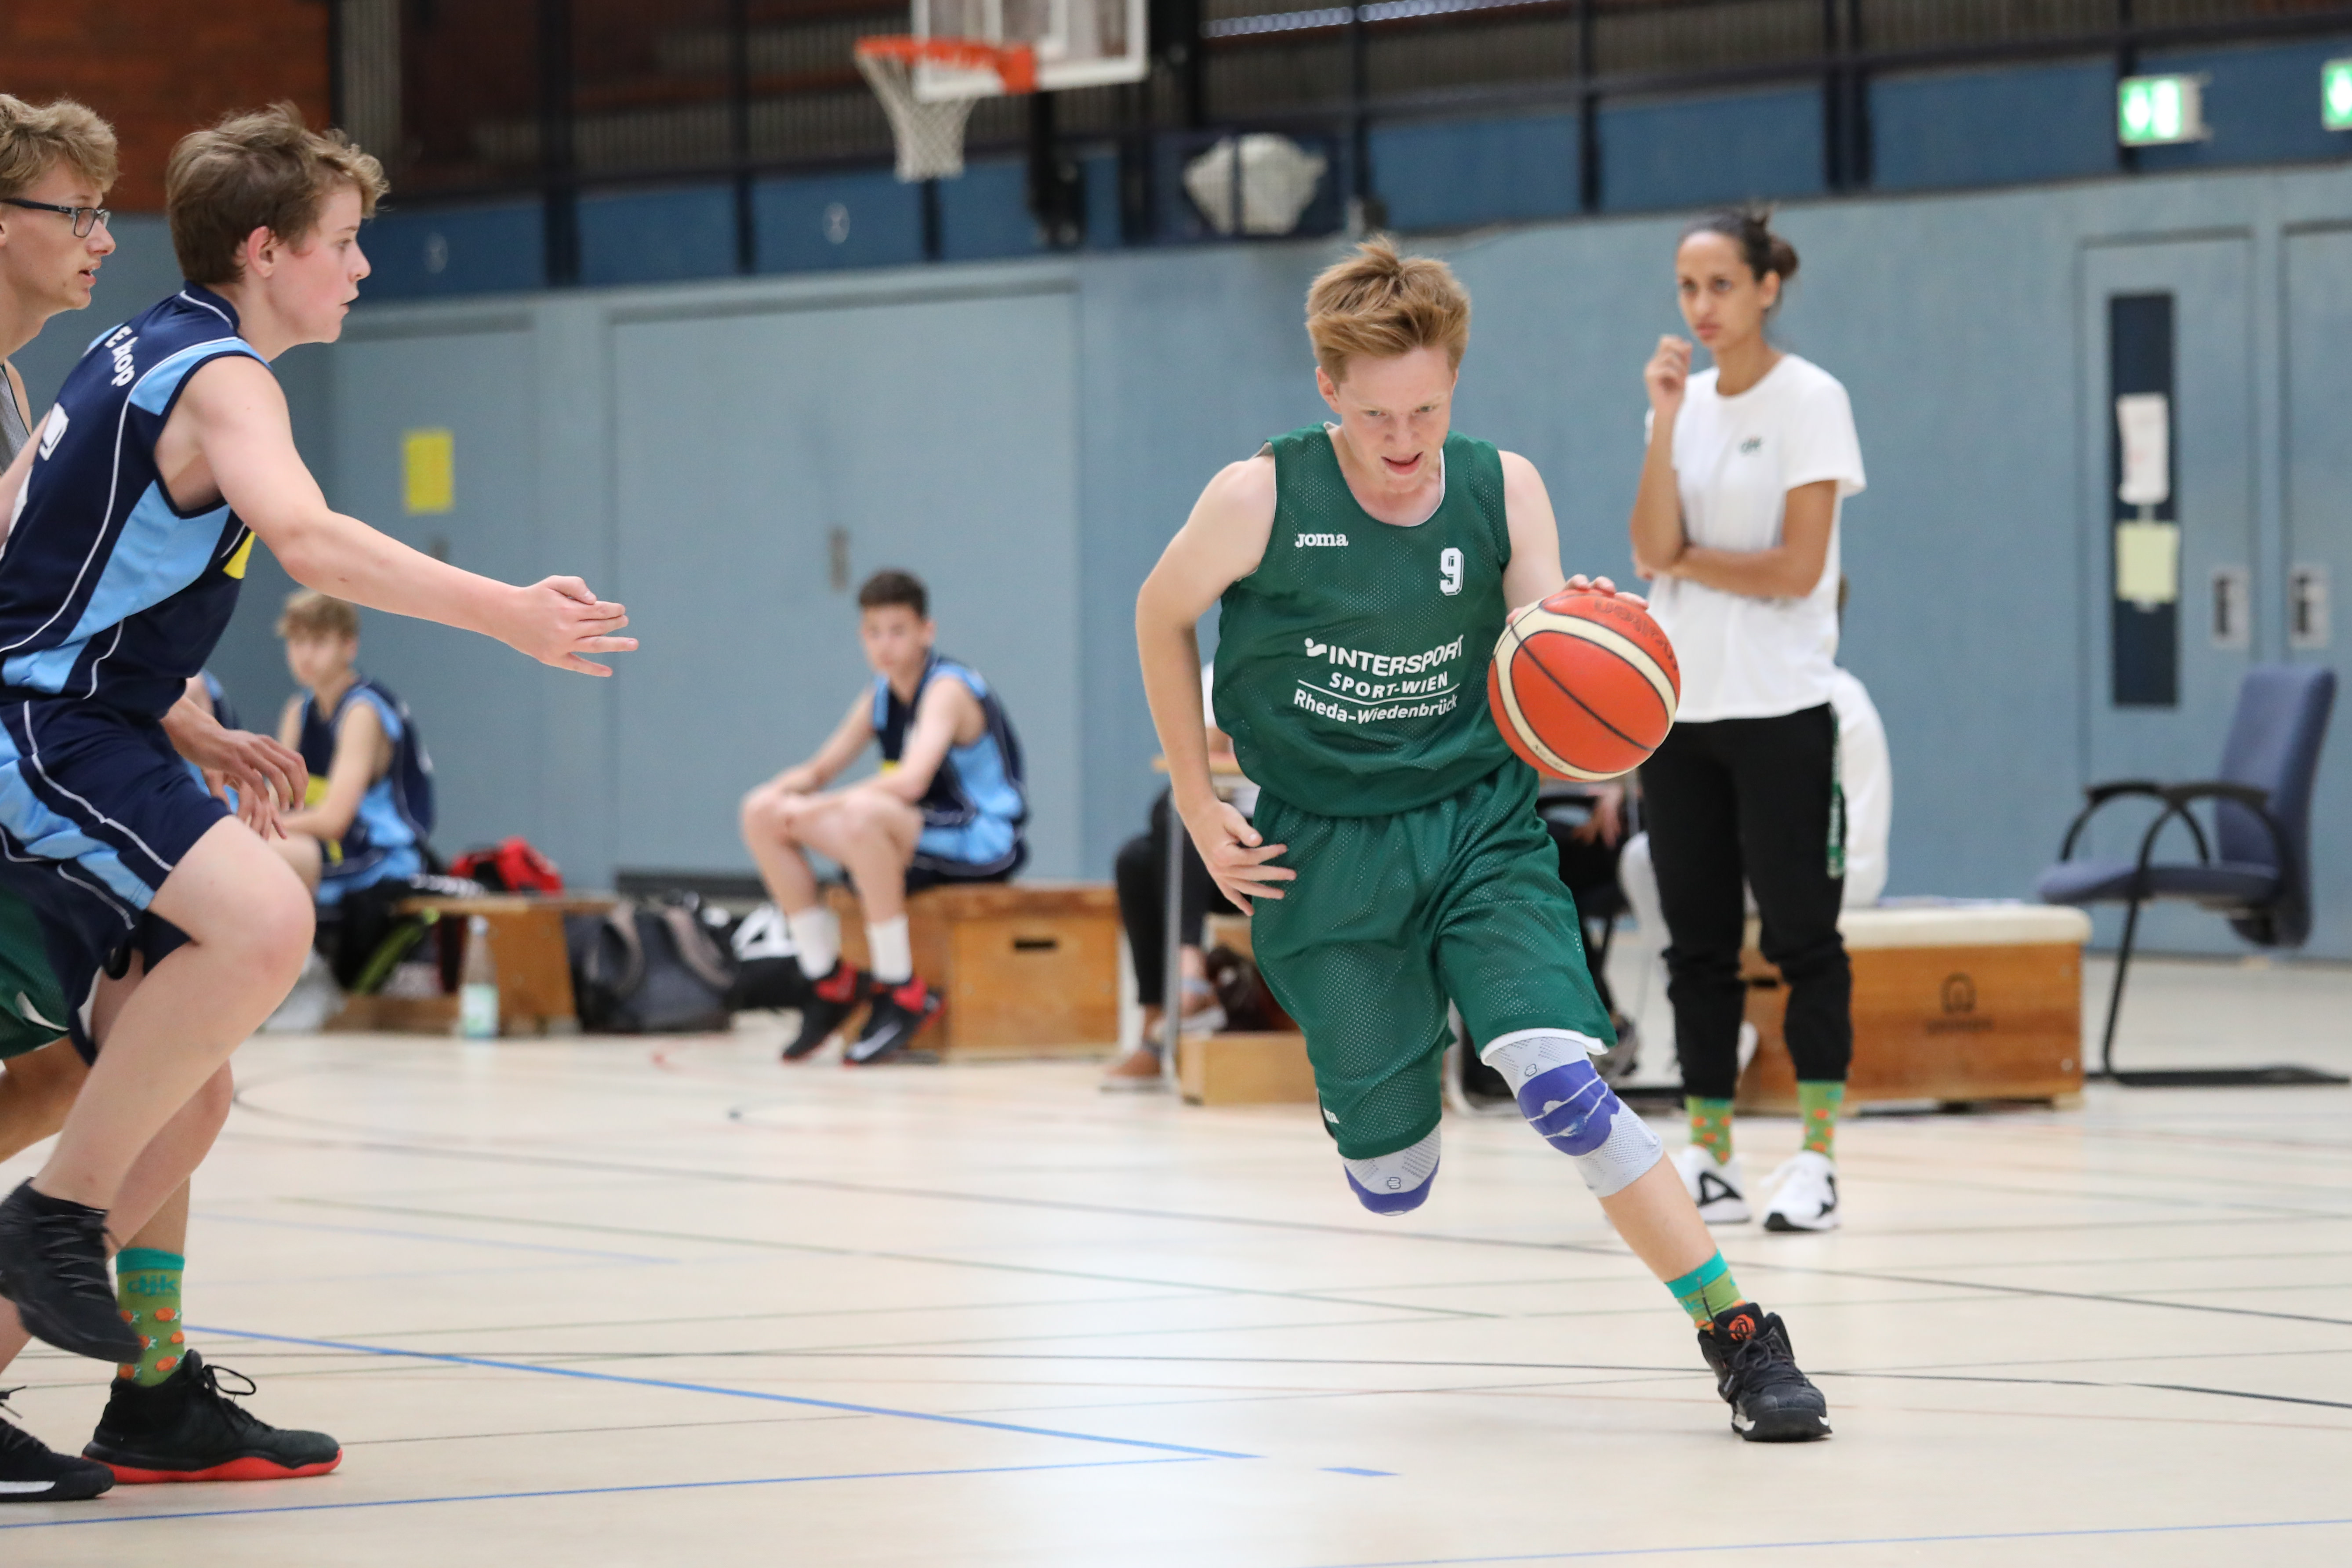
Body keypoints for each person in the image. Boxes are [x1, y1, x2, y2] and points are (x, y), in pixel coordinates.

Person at [1135, 237, 1829, 1441]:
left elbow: (1539, 658)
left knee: (1560, 1082)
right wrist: (1200, 804)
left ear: (1455, 379)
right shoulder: (1257, 498)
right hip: (1322, 851)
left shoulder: (1501, 488)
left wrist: (1588, 658)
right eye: (1376, 416)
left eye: (1427, 410)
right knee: (1392, 1180)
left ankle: (1738, 1333)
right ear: (1328, 390)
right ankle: (1393, 1075)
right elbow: (1160, 614)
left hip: (1478, 828)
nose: (1404, 440)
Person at [0, 100, 633, 1401]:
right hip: (46, 730)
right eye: (342, 241)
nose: (359, 266)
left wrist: (171, 706)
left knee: (187, 1090)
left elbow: (30, 541)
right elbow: (312, 541)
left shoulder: (134, 346)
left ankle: (127, 1370)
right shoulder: (223, 371)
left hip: (93, 718)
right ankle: (53, 1215)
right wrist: (507, 611)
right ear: (267, 248)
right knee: (267, 917)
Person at [0, 94, 339, 1499]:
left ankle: (146, 1378)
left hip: (55, 736)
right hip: (26, 759)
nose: (101, 236)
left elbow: (36, 592)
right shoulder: (171, 371)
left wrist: (172, 707)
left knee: (169, 1066)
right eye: (74, 211)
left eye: (104, 210)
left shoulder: (39, 385)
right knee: (120, 1067)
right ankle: (70, 1265)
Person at [1628, 207, 1866, 1234]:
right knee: (1696, 945)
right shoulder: (1678, 405)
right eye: (1688, 287)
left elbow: (1798, 568)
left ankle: (1817, 1158)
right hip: (1682, 710)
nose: (1701, 306)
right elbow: (1649, 546)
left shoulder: (1812, 399)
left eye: (1720, 284)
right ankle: (1711, 1153)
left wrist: (1686, 560)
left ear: (1767, 286)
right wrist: (1663, 420)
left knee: (1805, 937)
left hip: (1781, 708)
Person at [741, 569, 1026, 1065]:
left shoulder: (947, 689)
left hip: (982, 838)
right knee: (761, 813)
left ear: (926, 632)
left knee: (864, 813)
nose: (885, 645)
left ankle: (903, 988)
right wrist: (779, 795)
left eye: (898, 631)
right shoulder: (879, 695)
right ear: (861, 636)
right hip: (916, 834)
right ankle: (829, 979)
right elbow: (820, 770)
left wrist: (818, 806)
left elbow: (912, 781)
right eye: (874, 632)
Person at [1100, 665, 1248, 1090]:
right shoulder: (1219, 672)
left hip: (1282, 834)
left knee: (1175, 817)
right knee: (1136, 859)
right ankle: (1162, 1015)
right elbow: (1202, 763)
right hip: (1222, 845)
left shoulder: (1311, 659)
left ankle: (1186, 985)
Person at [267, 589, 435, 903]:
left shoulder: (362, 712)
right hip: (334, 846)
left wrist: (259, 827)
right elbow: (275, 800)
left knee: (259, 853)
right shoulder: (297, 710)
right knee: (234, 850)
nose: (306, 655)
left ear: (349, 646)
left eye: (319, 642)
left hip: (382, 855)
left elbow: (334, 821)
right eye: (297, 641)